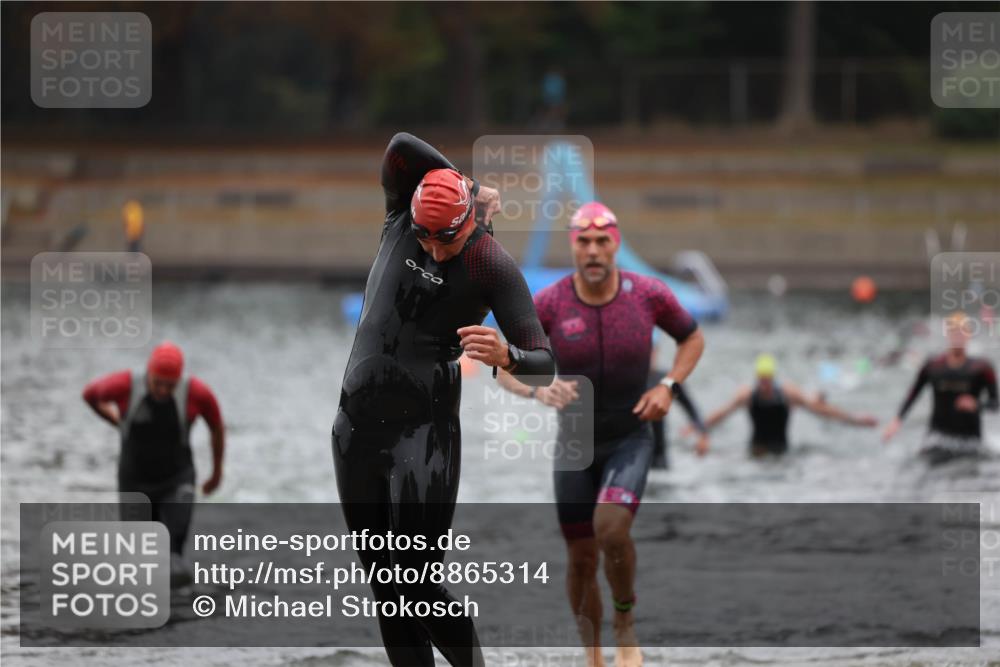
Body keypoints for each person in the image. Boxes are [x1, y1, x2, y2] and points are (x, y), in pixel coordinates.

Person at [331, 133, 555, 667]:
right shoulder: (399, 220)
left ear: (468, 224)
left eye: (443, 241)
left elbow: (544, 363)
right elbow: (400, 146)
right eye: (422, 236)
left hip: (423, 435)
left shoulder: (490, 266)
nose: (431, 248)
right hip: (354, 426)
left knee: (418, 583)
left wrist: (508, 354)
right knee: (385, 583)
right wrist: (469, 182)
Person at [498, 202, 705, 667]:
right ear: (573, 246)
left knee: (611, 528)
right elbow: (504, 365)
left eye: (602, 241)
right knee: (581, 558)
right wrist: (538, 390)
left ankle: (625, 623)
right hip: (574, 443)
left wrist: (669, 386)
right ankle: (593, 655)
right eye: (583, 242)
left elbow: (692, 338)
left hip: (630, 437)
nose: (593, 251)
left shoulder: (648, 295)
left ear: (615, 244)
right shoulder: (549, 303)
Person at [82, 341, 224, 582]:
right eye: (158, 383)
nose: (163, 391)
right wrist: (117, 421)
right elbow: (90, 395)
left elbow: (217, 428)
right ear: (149, 373)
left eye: (171, 385)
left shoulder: (197, 393)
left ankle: (179, 611)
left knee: (173, 554)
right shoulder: (125, 385)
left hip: (177, 480)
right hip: (134, 482)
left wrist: (216, 473)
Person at [698, 353, 877, 457]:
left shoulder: (788, 394)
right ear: (757, 378)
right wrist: (696, 426)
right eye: (761, 379)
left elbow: (820, 410)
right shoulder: (747, 395)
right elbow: (721, 414)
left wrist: (855, 419)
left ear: (773, 377)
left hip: (782, 454)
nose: (764, 384)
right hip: (756, 454)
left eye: (767, 379)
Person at [882, 313, 998, 463]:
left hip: (971, 443)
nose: (958, 337)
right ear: (948, 334)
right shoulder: (933, 365)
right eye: (954, 332)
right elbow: (913, 394)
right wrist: (897, 421)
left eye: (962, 332)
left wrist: (976, 404)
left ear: (969, 335)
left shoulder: (982, 368)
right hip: (937, 439)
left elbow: (995, 404)